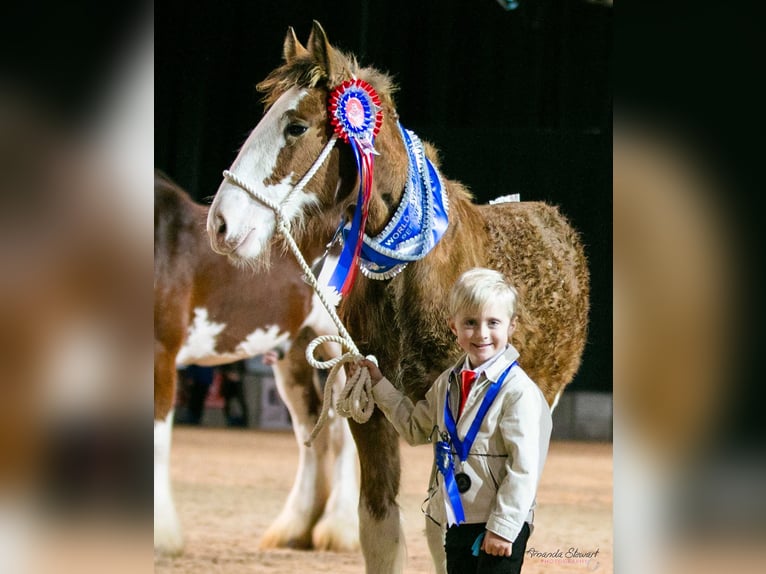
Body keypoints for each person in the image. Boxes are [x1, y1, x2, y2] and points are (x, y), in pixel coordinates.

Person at [355, 268, 552, 574]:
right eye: (470, 323)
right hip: (457, 517)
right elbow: (415, 428)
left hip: (499, 524)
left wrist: (504, 526)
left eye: (493, 323)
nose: (482, 333)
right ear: (453, 327)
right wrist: (380, 385)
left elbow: (524, 468)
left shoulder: (518, 391)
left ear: (512, 326)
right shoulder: (448, 383)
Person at [219, 359, 249, 427]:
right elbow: (221, 368)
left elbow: (244, 370)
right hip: (227, 384)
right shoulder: (226, 357)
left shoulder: (241, 358)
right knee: (227, 403)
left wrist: (238, 376)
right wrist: (228, 374)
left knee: (242, 403)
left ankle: (245, 422)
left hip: (238, 385)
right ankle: (229, 420)